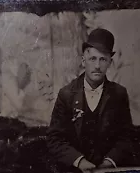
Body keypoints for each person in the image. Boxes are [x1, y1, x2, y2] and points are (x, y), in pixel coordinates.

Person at [47, 28, 134, 172]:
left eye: (103, 59)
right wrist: (79, 162)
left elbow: (127, 137)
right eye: (92, 59)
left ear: (110, 63)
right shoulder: (67, 94)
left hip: (108, 169)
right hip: (73, 169)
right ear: (83, 61)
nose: (97, 66)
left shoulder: (119, 94)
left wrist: (109, 162)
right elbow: (54, 138)